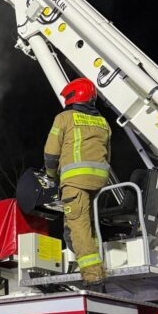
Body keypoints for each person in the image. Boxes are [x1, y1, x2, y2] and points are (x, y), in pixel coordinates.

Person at [43, 77, 111, 287]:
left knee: (78, 226)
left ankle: (93, 275)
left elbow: (51, 153)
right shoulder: (103, 122)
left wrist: (51, 175)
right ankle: (98, 265)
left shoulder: (64, 118)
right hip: (99, 182)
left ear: (74, 95)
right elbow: (108, 155)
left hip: (75, 181)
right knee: (88, 227)